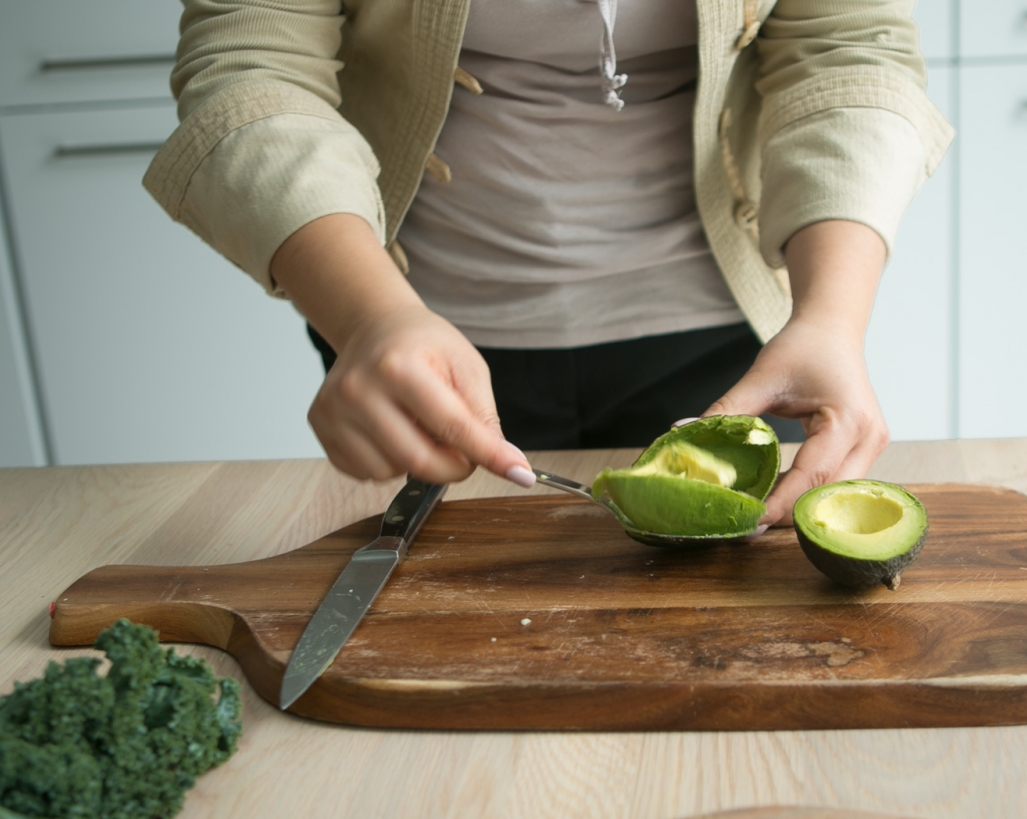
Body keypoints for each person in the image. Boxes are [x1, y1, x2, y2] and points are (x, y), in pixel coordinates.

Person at [145, 0, 952, 527]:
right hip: (414, 324)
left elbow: (852, 45)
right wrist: (368, 316)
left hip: (735, 333)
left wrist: (831, 321)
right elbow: (250, 61)